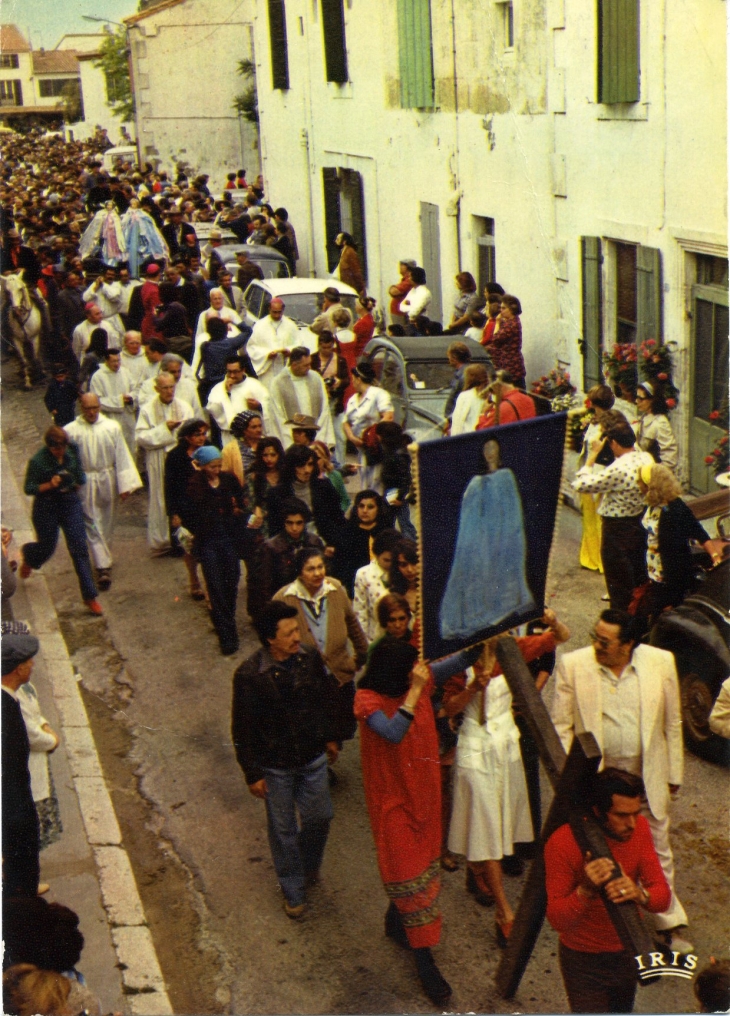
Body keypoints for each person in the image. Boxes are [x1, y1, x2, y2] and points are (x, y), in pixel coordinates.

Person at [551, 609, 691, 953]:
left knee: (657, 845)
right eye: (595, 637)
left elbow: (672, 723)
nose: (596, 645)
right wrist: (576, 781)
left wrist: (673, 772)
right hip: (598, 778)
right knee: (598, 845)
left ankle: (668, 924)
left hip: (646, 773)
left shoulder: (660, 662)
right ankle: (601, 921)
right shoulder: (573, 665)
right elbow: (560, 727)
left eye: (605, 641)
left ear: (629, 644)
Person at [354, 634, 473, 1007]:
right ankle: (424, 961)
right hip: (393, 803)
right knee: (409, 874)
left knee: (420, 869)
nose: (416, 674)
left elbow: (456, 662)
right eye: (409, 671)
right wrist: (416, 690)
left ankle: (396, 920)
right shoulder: (367, 700)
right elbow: (393, 733)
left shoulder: (415, 679)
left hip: (423, 794)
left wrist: (484, 640)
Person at [443, 613, 570, 944]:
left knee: (497, 819)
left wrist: (551, 620)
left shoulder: (511, 649)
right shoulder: (458, 662)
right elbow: (448, 710)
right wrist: (473, 687)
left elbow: (561, 637)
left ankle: (476, 871)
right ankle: (505, 911)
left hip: (506, 743)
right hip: (475, 744)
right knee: (486, 822)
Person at [232, 601, 341, 918]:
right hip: (275, 767)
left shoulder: (309, 659)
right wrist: (252, 773)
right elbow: (241, 728)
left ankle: (308, 866)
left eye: (298, 630)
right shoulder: (250, 676)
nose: (298, 637)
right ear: (270, 639)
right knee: (283, 831)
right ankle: (293, 888)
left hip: (312, 759)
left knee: (320, 817)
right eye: (290, 632)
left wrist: (330, 737)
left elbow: (326, 700)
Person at [545, 768, 671, 1014]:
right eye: (621, 816)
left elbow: (663, 897)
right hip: (583, 959)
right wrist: (586, 890)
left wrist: (639, 894)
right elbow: (557, 919)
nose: (632, 824)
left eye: (636, 813)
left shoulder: (641, 829)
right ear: (598, 812)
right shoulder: (562, 843)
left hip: (627, 949)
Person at [440, 438, 535, 640]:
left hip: (503, 538)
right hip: (481, 539)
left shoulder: (506, 478)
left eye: (494, 447)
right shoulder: (476, 483)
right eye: (486, 448)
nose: (490, 452)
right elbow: (470, 516)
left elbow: (513, 515)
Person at [275, 547, 369, 742]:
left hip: (339, 675)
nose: (318, 573)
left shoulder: (335, 589)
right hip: (304, 680)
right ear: (300, 572)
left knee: (342, 726)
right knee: (312, 729)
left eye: (320, 567)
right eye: (310, 569)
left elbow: (353, 624)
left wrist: (360, 657)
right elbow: (272, 638)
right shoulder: (284, 598)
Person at [573, 420, 654, 610]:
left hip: (616, 530)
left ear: (614, 443)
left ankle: (621, 620)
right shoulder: (646, 458)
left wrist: (592, 456)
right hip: (639, 522)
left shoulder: (618, 468)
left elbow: (581, 485)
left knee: (618, 582)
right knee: (637, 578)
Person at [64, 394, 141, 592]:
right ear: (81, 408)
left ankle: (102, 557)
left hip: (107, 477)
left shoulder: (111, 427)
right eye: (87, 408)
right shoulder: (71, 431)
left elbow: (121, 455)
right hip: (85, 480)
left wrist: (125, 484)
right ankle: (103, 567)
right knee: (91, 522)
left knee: (106, 521)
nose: (91, 412)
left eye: (95, 408)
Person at [20, 427, 101, 615]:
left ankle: (90, 596)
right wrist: (50, 484)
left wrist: (76, 480)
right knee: (47, 546)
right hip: (47, 504)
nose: (60, 452)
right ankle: (30, 556)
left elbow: (80, 474)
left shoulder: (71, 452)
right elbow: (29, 487)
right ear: (49, 447)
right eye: (56, 449)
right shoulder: (38, 461)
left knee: (79, 547)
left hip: (69, 501)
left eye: (62, 448)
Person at [636, 462, 725, 623]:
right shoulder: (651, 505)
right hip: (653, 571)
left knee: (663, 618)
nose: (637, 484)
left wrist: (715, 556)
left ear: (651, 485)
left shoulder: (675, 510)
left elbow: (698, 532)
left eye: (640, 481)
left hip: (667, 577)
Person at [182, 446, 244, 655]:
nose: (216, 470)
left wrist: (236, 512)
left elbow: (240, 498)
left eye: (218, 465)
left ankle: (226, 617)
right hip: (208, 540)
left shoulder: (228, 479)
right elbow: (188, 514)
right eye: (212, 466)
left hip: (227, 537)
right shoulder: (194, 485)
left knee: (232, 578)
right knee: (215, 585)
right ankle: (226, 632)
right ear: (202, 466)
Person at [136, 372, 194, 554]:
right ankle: (163, 541)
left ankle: (184, 540)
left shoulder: (183, 406)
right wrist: (164, 430)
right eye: (165, 388)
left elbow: (192, 430)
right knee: (161, 497)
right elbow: (140, 437)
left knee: (182, 496)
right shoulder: (147, 409)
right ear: (156, 389)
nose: (169, 391)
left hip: (178, 459)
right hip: (158, 458)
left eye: (172, 387)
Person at [2, 631, 41, 895]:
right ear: (18, 669)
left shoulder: (9, 699)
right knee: (21, 860)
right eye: (29, 661)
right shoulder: (5, 709)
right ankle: (22, 895)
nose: (33, 665)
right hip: (12, 808)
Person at [267, 445, 346, 553]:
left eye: (310, 465)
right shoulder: (277, 493)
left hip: (323, 544)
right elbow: (275, 529)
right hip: (289, 549)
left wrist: (334, 545)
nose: (307, 470)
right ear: (291, 466)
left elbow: (337, 519)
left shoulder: (324, 487)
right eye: (301, 465)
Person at [164, 418, 209, 601]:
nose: (201, 438)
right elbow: (170, 486)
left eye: (204, 434)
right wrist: (173, 513)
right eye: (197, 434)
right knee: (189, 546)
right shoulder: (176, 456)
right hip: (186, 506)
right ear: (187, 436)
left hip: (206, 504)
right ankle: (194, 580)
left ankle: (209, 582)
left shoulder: (209, 450)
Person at [578, 384, 616, 574]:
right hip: (591, 470)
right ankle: (591, 554)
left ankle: (599, 557)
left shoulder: (605, 425)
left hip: (598, 472)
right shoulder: (595, 422)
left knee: (598, 516)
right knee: (591, 517)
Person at [258, 498, 325, 604]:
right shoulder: (271, 547)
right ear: (284, 523)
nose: (294, 528)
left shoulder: (315, 542)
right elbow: (264, 584)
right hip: (284, 600)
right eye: (290, 523)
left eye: (299, 523)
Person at [269, 346, 336, 448]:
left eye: (310, 363)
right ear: (294, 365)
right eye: (306, 365)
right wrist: (290, 442)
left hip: (315, 438)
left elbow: (324, 410)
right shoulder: (278, 383)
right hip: (291, 440)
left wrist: (318, 438)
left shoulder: (316, 378)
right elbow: (277, 415)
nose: (309, 367)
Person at [343, 362, 394, 490]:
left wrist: (371, 434)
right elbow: (345, 421)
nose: (352, 382)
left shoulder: (378, 394)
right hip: (361, 448)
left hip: (376, 448)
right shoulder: (353, 399)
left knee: (376, 483)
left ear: (358, 379)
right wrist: (351, 437)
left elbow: (388, 415)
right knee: (365, 483)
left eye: (353, 379)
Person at [333, 489, 393, 597]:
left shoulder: (387, 533)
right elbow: (339, 566)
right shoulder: (346, 532)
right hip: (353, 589)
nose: (365, 511)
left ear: (378, 509)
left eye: (370, 507)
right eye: (361, 506)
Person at [206, 355, 269, 444]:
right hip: (231, 437)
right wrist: (226, 394)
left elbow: (269, 406)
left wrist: (259, 406)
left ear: (243, 370)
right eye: (229, 372)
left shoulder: (255, 385)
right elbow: (214, 411)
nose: (232, 375)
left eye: (235, 372)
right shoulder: (218, 389)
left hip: (255, 437)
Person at [353, 528, 401, 642]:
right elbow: (360, 613)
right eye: (387, 560)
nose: (391, 564)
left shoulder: (402, 570)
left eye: (395, 561)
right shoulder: (364, 574)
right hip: (375, 639)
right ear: (377, 554)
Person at [88, 346, 137, 454]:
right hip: (110, 418)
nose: (117, 364)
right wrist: (120, 400)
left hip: (127, 417)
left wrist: (130, 397)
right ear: (106, 361)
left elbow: (136, 389)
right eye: (113, 361)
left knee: (130, 449)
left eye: (118, 360)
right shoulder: (98, 377)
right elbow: (97, 401)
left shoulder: (125, 372)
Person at [245, 297, 299, 393]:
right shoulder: (259, 326)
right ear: (269, 309)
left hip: (284, 367)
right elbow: (252, 347)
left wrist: (289, 350)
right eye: (274, 312)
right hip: (267, 370)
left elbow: (297, 343)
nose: (277, 315)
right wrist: (267, 354)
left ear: (283, 310)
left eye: (279, 312)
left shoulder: (290, 325)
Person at [375, 421, 417, 540]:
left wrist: (400, 497)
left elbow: (405, 478)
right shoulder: (390, 451)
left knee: (402, 520)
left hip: (395, 491)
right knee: (390, 519)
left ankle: (412, 542)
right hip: (391, 490)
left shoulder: (397, 455)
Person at [635, 381, 679, 473]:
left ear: (652, 400)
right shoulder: (645, 416)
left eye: (641, 399)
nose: (636, 401)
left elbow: (670, 456)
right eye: (637, 397)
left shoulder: (661, 423)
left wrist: (659, 476)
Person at [246, 436, 285, 536]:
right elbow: (251, 502)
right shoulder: (254, 476)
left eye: (273, 455)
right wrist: (258, 510)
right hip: (264, 524)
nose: (269, 459)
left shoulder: (286, 475)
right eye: (265, 455)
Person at [488, 294, 526, 385]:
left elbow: (495, 339)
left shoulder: (511, 324)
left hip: (510, 365)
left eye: (503, 308)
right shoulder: (509, 322)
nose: (500, 311)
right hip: (505, 364)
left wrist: (497, 322)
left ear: (512, 309)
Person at [82, 265, 125, 342]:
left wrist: (103, 285)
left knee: (115, 342)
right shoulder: (96, 284)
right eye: (108, 274)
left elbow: (113, 296)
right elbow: (85, 298)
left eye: (112, 275)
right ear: (104, 275)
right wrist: (95, 287)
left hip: (112, 319)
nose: (110, 277)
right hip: (98, 321)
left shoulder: (117, 285)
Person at [221, 409, 264, 481]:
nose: (259, 430)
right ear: (244, 430)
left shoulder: (268, 443)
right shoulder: (230, 449)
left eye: (260, 426)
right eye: (254, 427)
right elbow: (224, 474)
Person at [450, 363, 491, 436]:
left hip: (469, 439)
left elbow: (457, 423)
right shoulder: (493, 396)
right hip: (487, 439)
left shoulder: (464, 396)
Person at [311, 440, 350, 513]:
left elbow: (345, 500)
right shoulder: (305, 476)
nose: (315, 461)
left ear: (325, 458)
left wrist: (338, 513)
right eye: (312, 458)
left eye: (318, 458)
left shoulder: (335, 476)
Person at [444, 341, 473, 421]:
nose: (448, 359)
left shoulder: (465, 375)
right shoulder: (461, 373)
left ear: (454, 358)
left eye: (449, 356)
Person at [399, 267, 431, 332]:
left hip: (420, 325)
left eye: (410, 276)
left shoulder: (424, 293)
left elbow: (413, 313)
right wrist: (412, 307)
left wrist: (409, 306)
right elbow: (401, 307)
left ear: (415, 277)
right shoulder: (412, 291)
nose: (408, 279)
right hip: (410, 324)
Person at [388, 259, 416, 327]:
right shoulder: (405, 280)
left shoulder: (409, 280)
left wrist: (392, 288)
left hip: (401, 314)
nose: (399, 267)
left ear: (407, 267)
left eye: (401, 265)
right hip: (399, 313)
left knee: (401, 332)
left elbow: (394, 291)